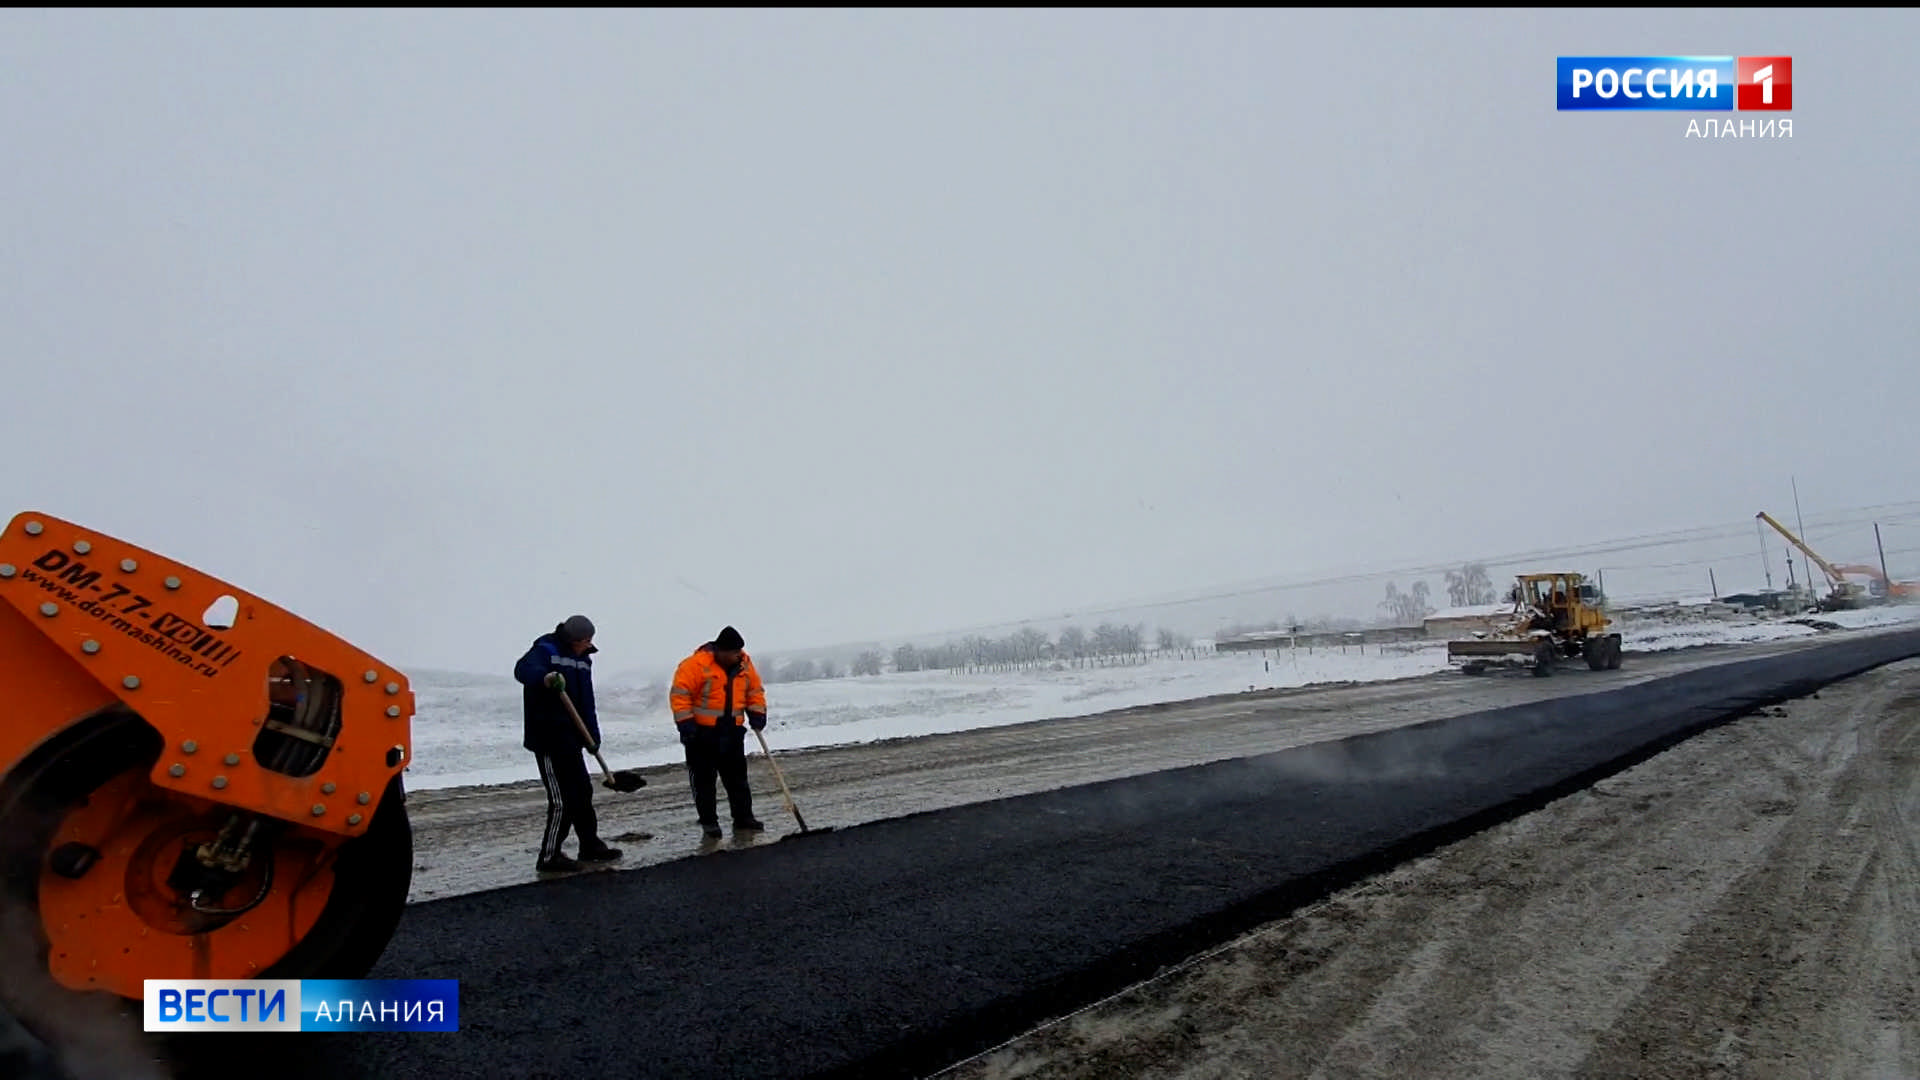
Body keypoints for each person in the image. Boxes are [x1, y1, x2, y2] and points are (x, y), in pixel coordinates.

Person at [514, 615, 622, 873]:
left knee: (583, 792)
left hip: (572, 738)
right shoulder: (546, 650)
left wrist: (592, 738)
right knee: (562, 800)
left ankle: (590, 845)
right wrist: (546, 677)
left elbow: (586, 702)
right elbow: (523, 670)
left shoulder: (583, 659)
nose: (589, 644)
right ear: (573, 639)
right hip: (548, 738)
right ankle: (549, 856)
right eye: (585, 640)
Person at [669, 625, 767, 839]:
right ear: (721, 651)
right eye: (733, 653)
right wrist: (686, 725)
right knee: (704, 781)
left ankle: (743, 818)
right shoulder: (694, 665)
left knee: (737, 779)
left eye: (739, 652)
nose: (738, 656)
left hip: (732, 732)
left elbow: (754, 691)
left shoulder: (744, 664)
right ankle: (709, 822)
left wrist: (757, 713)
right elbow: (680, 696)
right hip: (701, 734)